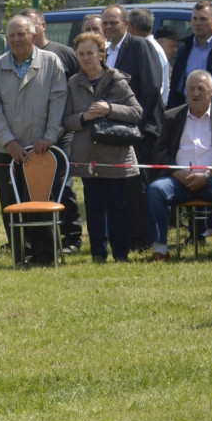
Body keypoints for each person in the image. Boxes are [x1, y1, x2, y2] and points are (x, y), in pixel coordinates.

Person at [0, 14, 67, 265]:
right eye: (12, 35)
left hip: (42, 148)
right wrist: (10, 143)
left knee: (41, 200)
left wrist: (49, 137)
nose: (16, 39)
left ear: (33, 35)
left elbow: (58, 101)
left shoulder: (51, 62)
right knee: (11, 201)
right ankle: (21, 255)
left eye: (21, 34)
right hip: (5, 150)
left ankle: (45, 256)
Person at [63, 32, 142, 262]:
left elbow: (137, 113)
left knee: (117, 206)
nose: (86, 58)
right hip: (87, 155)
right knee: (94, 206)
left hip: (115, 154)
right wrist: (84, 117)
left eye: (90, 53)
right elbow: (66, 120)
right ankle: (98, 253)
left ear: (101, 54)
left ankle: (121, 254)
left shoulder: (117, 79)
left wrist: (110, 108)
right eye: (81, 54)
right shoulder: (73, 82)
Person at [146, 70, 212, 261]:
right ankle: (160, 249)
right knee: (155, 189)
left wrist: (207, 175)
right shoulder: (172, 116)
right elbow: (159, 151)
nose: (195, 94)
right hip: (179, 180)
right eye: (191, 89)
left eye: (201, 89)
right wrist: (176, 173)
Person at [21, 7, 83, 253]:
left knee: (62, 185)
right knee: (33, 188)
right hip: (31, 135)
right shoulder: (19, 57)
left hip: (60, 132)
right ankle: (37, 240)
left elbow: (78, 88)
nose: (30, 32)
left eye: (33, 25)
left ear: (43, 25)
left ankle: (72, 238)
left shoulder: (64, 54)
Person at [102, 4, 164, 252]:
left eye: (113, 23)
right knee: (122, 190)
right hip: (114, 133)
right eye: (105, 23)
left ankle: (145, 239)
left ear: (126, 24)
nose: (108, 27)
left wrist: (133, 125)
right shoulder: (105, 52)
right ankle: (127, 237)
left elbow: (151, 88)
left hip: (140, 132)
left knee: (140, 189)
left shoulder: (140, 46)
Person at [168, 1, 212, 109]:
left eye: (203, 19)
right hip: (187, 115)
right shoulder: (184, 50)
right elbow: (176, 88)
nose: (198, 23)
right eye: (194, 19)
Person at [129, 7, 170, 106]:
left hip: (150, 111)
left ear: (131, 27)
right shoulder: (151, 47)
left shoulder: (150, 49)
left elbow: (154, 88)